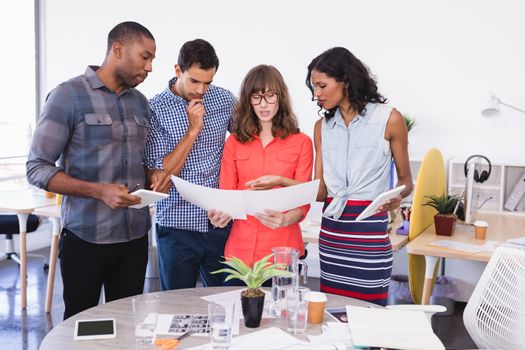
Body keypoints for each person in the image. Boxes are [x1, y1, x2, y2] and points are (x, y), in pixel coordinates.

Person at [26, 21, 156, 319]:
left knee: (127, 327)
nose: (149, 67)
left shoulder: (140, 103)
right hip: (86, 242)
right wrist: (99, 191)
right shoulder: (67, 96)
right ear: (118, 49)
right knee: (80, 328)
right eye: (144, 57)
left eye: (152, 60)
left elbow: (140, 161)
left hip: (135, 240)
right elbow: (37, 168)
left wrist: (154, 174)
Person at [306, 47, 413, 306]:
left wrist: (396, 196)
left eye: (322, 86)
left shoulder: (390, 119)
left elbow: (406, 181)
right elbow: (321, 192)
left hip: (368, 235)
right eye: (313, 87)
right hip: (332, 235)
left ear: (344, 80)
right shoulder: (321, 127)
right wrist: (281, 184)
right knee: (332, 314)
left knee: (370, 316)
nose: (316, 94)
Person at [143, 39, 236, 290]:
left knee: (226, 303)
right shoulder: (154, 109)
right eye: (194, 81)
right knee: (175, 305)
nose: (201, 90)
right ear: (177, 71)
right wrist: (193, 130)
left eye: (208, 82)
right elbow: (160, 176)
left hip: (219, 223)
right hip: (176, 225)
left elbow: (249, 143)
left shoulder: (224, 100)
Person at [208, 65, 313, 273]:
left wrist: (286, 219)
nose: (263, 104)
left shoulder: (302, 142)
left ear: (280, 97)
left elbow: (304, 199)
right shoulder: (234, 143)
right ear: (248, 100)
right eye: (256, 97)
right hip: (240, 255)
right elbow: (227, 195)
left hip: (283, 253)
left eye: (270, 96)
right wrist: (220, 215)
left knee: (282, 306)